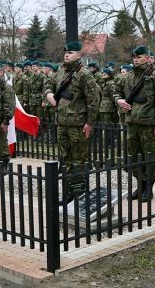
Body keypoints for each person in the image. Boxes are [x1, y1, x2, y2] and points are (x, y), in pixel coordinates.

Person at [44, 41, 100, 199]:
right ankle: (69, 192)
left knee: (78, 162)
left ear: (79, 55)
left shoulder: (84, 74)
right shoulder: (61, 71)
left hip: (78, 125)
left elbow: (93, 100)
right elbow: (48, 83)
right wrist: (49, 94)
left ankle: (79, 194)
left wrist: (89, 123)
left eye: (70, 53)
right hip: (62, 123)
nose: (66, 54)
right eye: (65, 52)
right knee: (66, 160)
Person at [114, 46, 155, 201]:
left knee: (150, 156)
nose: (136, 59)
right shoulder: (127, 77)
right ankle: (140, 185)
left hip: (149, 124)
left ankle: (148, 187)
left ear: (147, 57)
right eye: (134, 57)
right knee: (135, 156)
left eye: (139, 57)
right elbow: (116, 91)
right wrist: (120, 100)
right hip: (132, 122)